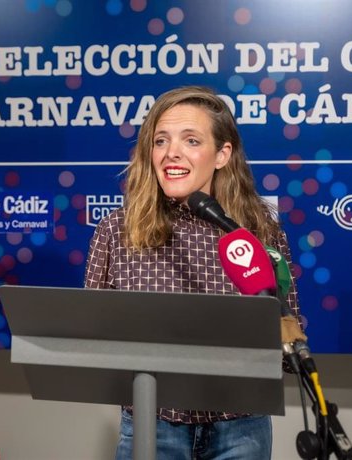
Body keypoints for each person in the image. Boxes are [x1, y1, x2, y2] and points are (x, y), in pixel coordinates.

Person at [84, 86, 302, 459]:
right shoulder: (116, 230)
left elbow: (287, 331)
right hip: (153, 424)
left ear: (222, 154)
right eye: (161, 141)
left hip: (241, 427)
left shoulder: (257, 229)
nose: (172, 153)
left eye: (191, 140)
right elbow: (88, 336)